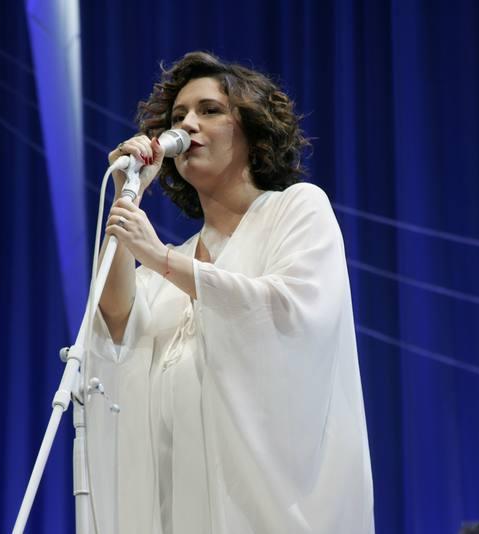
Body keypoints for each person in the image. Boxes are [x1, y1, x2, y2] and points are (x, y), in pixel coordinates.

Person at [84, 51, 374, 534]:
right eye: (179, 116)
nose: (187, 124)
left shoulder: (296, 210)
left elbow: (287, 312)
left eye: (209, 110)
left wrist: (158, 257)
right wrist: (126, 192)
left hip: (271, 512)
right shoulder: (168, 264)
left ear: (252, 132)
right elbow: (114, 324)